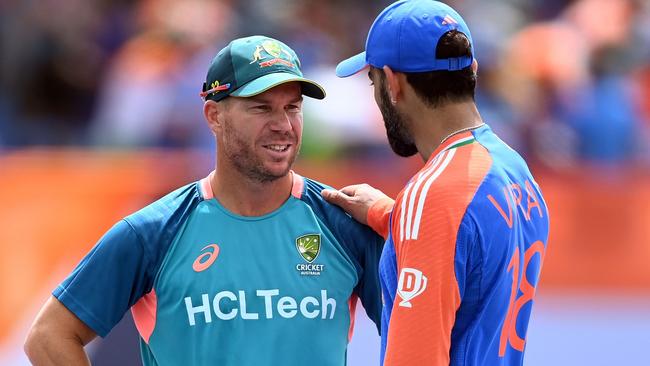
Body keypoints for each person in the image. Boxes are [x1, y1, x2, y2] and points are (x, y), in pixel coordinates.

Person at [24, 35, 384, 366]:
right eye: (261, 108)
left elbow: (421, 332)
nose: (283, 125)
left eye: (292, 107)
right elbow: (48, 336)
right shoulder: (154, 232)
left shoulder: (344, 224)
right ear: (214, 116)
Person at [322, 1, 550, 365]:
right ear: (471, 70)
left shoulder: (434, 194)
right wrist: (390, 215)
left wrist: (414, 213)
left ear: (393, 83)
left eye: (373, 80)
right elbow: (470, 246)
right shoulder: (513, 169)